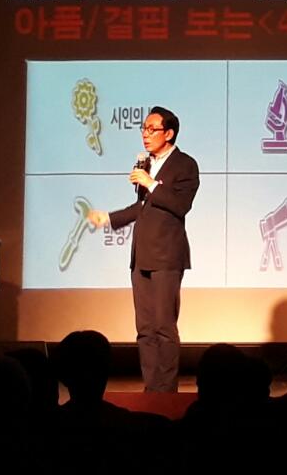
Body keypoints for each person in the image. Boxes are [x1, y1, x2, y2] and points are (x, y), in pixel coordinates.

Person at [88, 106, 199, 392]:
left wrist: (150, 183)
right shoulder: (146, 163)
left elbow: (180, 205)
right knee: (145, 329)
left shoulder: (185, 165)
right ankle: (152, 389)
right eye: (143, 129)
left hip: (167, 255)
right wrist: (109, 218)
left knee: (164, 327)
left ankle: (167, 391)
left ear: (169, 133)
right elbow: (143, 207)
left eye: (152, 129)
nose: (145, 135)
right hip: (141, 255)